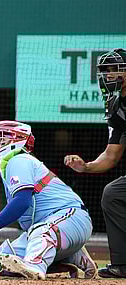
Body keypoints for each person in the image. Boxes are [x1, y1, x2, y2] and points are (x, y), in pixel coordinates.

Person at [0, 120, 97, 280]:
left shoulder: (19, 159)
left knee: (41, 232)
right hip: (57, 230)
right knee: (0, 260)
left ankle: (35, 266)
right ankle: (75, 258)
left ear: (13, 139)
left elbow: (22, 201)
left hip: (72, 217)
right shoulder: (11, 163)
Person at [64, 48, 126, 278]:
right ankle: (122, 264)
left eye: (116, 69)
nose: (109, 75)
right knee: (114, 193)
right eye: (105, 71)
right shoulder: (117, 107)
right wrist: (87, 166)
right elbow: (111, 156)